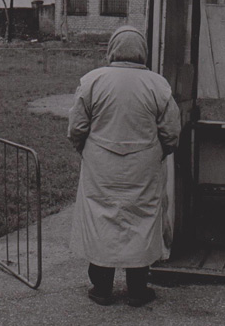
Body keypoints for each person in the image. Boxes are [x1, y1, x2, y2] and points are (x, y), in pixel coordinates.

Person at [68, 26, 181, 307]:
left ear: (112, 49)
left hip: (100, 166)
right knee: (141, 220)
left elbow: (77, 128)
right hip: (143, 167)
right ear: (142, 51)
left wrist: (88, 150)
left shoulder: (91, 81)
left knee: (100, 218)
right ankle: (137, 289)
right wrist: (158, 154)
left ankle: (101, 289)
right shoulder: (159, 85)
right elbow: (171, 133)